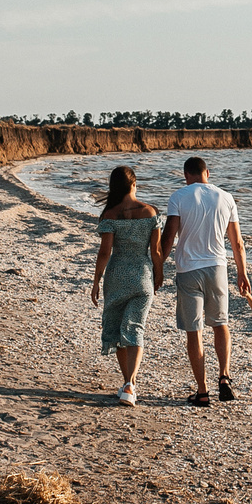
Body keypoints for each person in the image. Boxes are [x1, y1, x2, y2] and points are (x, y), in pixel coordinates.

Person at [159, 155, 251, 407]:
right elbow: (237, 243)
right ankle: (224, 376)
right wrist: (242, 274)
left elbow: (167, 240)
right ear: (207, 173)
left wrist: (157, 267)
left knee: (194, 330)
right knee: (221, 324)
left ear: (186, 175)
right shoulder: (226, 197)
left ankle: (202, 391)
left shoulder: (179, 197)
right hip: (218, 268)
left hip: (188, 270)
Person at [89, 164, 164, 407]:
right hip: (142, 276)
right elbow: (156, 250)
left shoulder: (110, 214)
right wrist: (159, 274)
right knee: (135, 327)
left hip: (117, 277)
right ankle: (130, 383)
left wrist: (96, 280)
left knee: (119, 329)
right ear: (134, 184)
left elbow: (104, 252)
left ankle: (128, 383)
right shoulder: (150, 212)